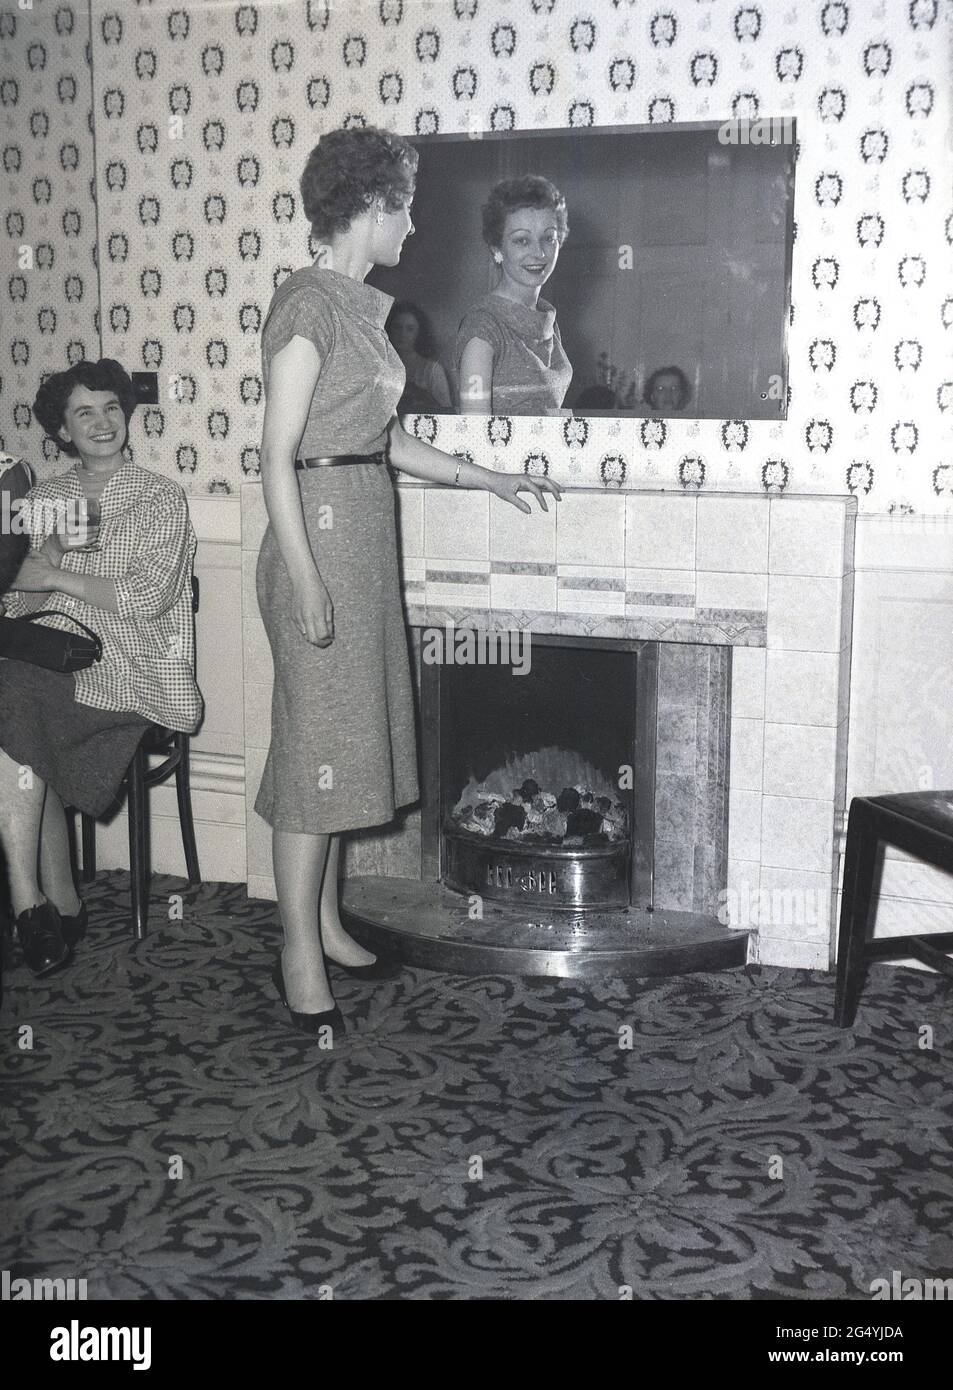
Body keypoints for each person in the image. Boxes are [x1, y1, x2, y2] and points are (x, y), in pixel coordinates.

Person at [256, 125, 560, 1037]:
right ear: (369, 207)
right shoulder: (305, 304)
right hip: (313, 532)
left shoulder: (360, 304)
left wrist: (489, 476)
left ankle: (324, 923)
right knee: (316, 751)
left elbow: (380, 438)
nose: (414, 225)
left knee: (344, 746)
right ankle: (296, 951)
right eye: (404, 207)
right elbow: (274, 454)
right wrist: (306, 578)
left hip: (361, 528)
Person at [0, 359, 202, 979]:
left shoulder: (160, 495)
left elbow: (145, 600)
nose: (102, 422)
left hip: (134, 667)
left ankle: (40, 902)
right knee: (14, 692)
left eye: (111, 407)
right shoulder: (45, 498)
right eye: (83, 412)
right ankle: (35, 902)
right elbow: (13, 602)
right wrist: (56, 549)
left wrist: (55, 573)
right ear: (62, 431)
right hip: (53, 660)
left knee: (14, 698)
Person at [456, 175, 573, 416]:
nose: (539, 253)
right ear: (497, 249)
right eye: (522, 240)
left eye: (548, 238)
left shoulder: (547, 319)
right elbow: (473, 433)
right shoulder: (484, 326)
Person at [386, 301, 452, 413]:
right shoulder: (382, 367)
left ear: (419, 333)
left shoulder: (432, 370)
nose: (402, 334)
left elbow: (446, 412)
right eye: (397, 327)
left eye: (410, 329)